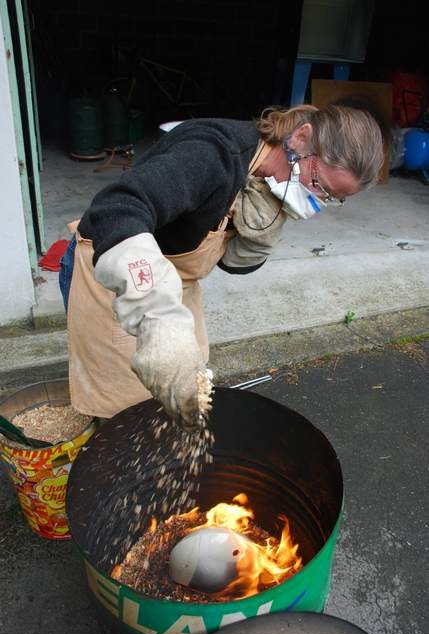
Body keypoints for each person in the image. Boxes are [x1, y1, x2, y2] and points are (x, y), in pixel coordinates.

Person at [59, 103, 384, 429]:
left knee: (188, 386)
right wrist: (157, 320)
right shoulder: (213, 153)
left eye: (330, 197)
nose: (315, 200)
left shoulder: (268, 178)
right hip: (118, 269)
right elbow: (117, 208)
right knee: (129, 411)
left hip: (176, 277)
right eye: (317, 183)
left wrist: (256, 241)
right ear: (301, 137)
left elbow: (226, 261)